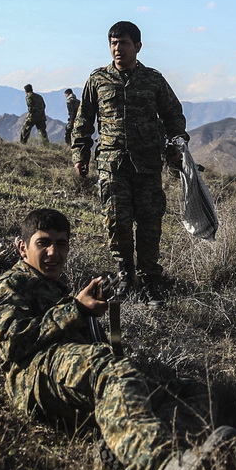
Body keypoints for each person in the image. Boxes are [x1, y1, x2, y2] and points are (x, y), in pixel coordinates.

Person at [0, 207, 234, 470]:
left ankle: (128, 452)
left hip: (72, 370)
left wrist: (91, 313)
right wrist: (75, 309)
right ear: (23, 248)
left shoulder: (56, 287)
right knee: (109, 368)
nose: (53, 252)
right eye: (43, 243)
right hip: (36, 376)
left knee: (191, 393)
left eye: (61, 244)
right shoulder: (11, 284)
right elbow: (11, 344)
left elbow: (90, 346)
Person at [70, 21, 188, 295]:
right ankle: (125, 276)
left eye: (123, 43)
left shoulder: (153, 80)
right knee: (116, 221)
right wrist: (80, 154)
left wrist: (176, 144)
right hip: (112, 164)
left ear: (137, 46)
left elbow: (173, 114)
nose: (117, 48)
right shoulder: (98, 79)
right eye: (113, 43)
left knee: (149, 223)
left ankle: (149, 279)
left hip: (147, 164)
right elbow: (84, 119)